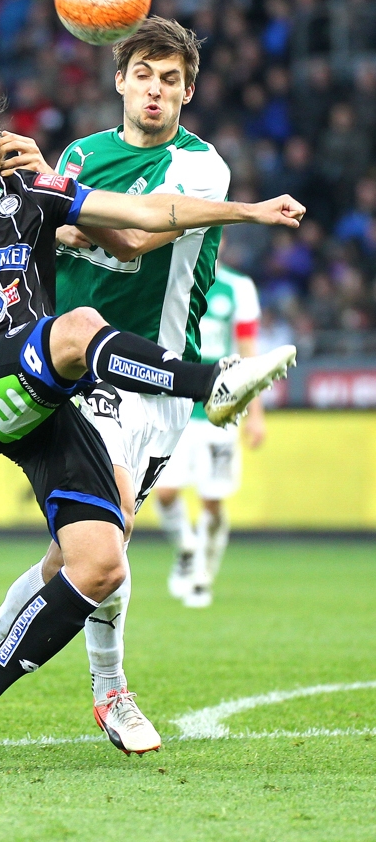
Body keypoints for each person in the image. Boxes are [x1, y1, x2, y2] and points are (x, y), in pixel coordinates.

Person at [0, 77, 302, 779]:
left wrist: (247, 211)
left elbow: (143, 215)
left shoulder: (31, 196)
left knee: (100, 565)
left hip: (46, 398)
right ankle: (213, 382)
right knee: (76, 329)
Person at [155, 258, 265, 609]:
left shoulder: (238, 287)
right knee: (166, 493)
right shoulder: (171, 275)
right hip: (177, 407)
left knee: (212, 501)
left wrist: (256, 414)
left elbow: (249, 352)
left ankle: (203, 576)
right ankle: (187, 548)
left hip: (221, 412)